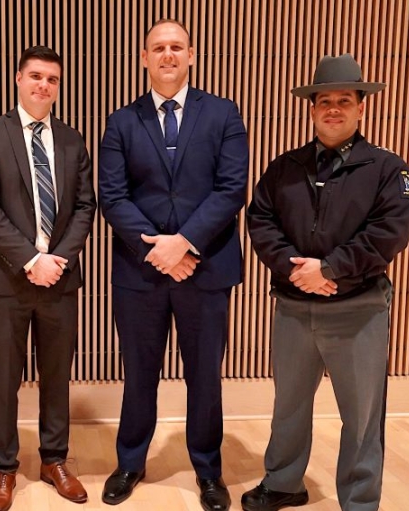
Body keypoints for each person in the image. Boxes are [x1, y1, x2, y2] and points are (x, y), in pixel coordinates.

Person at [242, 54, 409, 511]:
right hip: (294, 309)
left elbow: (389, 233)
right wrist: (294, 268)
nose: (334, 108)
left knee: (361, 415)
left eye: (344, 100)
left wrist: (330, 269)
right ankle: (283, 483)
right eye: (325, 101)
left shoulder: (387, 169)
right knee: (289, 406)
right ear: (312, 108)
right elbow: (260, 219)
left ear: (361, 107)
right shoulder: (285, 167)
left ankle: (359, 501)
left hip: (358, 312)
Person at [97, 19, 249, 511]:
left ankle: (208, 469)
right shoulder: (121, 121)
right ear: (144, 58)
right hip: (139, 272)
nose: (167, 55)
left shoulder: (223, 113)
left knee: (204, 372)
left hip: (204, 269)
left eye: (176, 47)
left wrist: (182, 244)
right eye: (158, 48)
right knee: (138, 372)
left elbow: (231, 189)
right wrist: (157, 251)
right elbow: (113, 197)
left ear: (191, 55)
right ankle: (130, 462)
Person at [0, 45, 97, 511]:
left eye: (53, 79)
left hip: (59, 278)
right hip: (6, 280)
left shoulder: (71, 139)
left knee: (57, 376)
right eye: (36, 76)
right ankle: (4, 469)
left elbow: (85, 205)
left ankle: (54, 459)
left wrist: (57, 258)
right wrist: (29, 259)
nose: (44, 85)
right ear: (18, 79)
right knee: (3, 378)